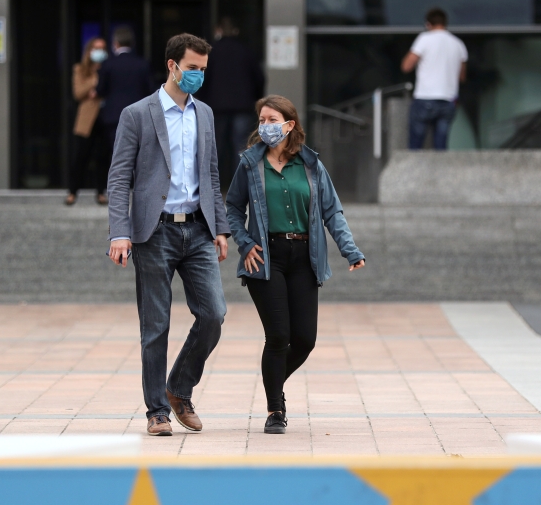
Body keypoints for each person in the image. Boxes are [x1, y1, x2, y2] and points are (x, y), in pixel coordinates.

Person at [106, 33, 230, 437]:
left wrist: (221, 227)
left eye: (203, 70)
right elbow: (120, 175)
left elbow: (211, 173)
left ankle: (178, 388)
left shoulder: (205, 114)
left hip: (197, 229)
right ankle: (157, 411)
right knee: (155, 326)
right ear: (172, 66)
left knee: (213, 314)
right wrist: (119, 232)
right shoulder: (137, 114)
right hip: (153, 231)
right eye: (192, 68)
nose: (198, 76)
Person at [226, 95, 365, 435]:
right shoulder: (249, 164)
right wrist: (245, 244)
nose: (265, 126)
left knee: (304, 339)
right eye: (261, 120)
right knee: (278, 336)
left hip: (304, 257)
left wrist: (350, 250)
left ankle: (272, 379)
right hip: (266, 257)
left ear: (289, 125)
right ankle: (276, 409)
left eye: (272, 119)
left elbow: (331, 211)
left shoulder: (311, 164)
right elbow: (231, 209)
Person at [201, 16, 264, 190]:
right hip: (242, 106)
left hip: (216, 107)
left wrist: (203, 101)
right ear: (235, 31)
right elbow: (259, 78)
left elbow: (202, 80)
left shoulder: (211, 53)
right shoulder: (246, 51)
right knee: (241, 148)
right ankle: (240, 188)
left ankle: (214, 188)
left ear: (218, 30)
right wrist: (254, 98)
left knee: (216, 149)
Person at [400, 7, 468, 150]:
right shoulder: (458, 44)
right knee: (440, 148)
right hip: (448, 100)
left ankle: (413, 172)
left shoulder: (425, 39)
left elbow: (406, 66)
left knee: (415, 148)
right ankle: (440, 173)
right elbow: (462, 77)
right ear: (445, 23)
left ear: (428, 24)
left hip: (425, 97)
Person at [97, 26, 153, 190]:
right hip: (139, 116)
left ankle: (119, 188)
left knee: (118, 155)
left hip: (114, 116)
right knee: (138, 153)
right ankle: (138, 187)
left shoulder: (108, 64)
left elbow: (101, 89)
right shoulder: (142, 64)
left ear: (115, 43)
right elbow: (150, 90)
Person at [67, 37, 108, 206]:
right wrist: (96, 81)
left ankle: (101, 192)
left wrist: (96, 89)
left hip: (105, 116)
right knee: (81, 156)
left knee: (103, 157)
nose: (99, 52)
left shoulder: (109, 68)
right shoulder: (80, 69)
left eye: (102, 48)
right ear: (89, 51)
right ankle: (72, 192)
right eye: (96, 48)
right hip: (87, 119)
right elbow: (78, 93)